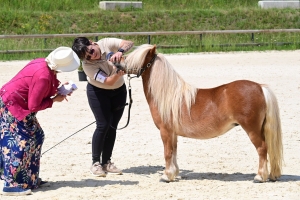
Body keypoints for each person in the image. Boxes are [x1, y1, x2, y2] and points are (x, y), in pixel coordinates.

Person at [0, 47, 80, 196]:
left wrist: (58, 88)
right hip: (13, 106)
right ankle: (12, 184)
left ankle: (30, 178)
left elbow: (42, 84)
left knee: (36, 135)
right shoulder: (43, 76)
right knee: (21, 142)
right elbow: (34, 105)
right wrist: (54, 100)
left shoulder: (42, 63)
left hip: (16, 102)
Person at [72, 37, 134, 177]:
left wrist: (120, 52)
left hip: (119, 91)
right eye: (87, 56)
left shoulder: (105, 43)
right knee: (103, 125)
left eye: (91, 51)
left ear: (92, 43)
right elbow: (108, 82)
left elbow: (129, 42)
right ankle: (95, 163)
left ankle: (106, 162)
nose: (91, 56)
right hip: (98, 93)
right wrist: (120, 71)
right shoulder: (87, 65)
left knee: (113, 126)